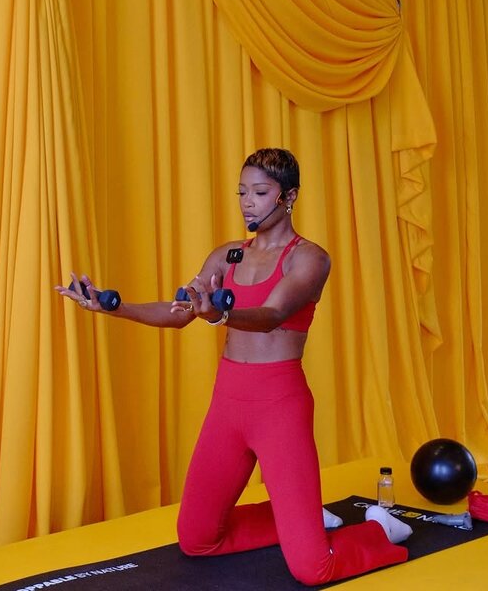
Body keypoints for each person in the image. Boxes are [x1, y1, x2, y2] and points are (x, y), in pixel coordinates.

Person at [55, 148, 411, 586]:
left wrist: (220, 314)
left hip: (278, 404)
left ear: (288, 197)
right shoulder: (226, 257)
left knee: (312, 569)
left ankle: (380, 529)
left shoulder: (309, 259)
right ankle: (299, 518)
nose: (247, 203)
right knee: (197, 538)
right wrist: (112, 306)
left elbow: (272, 315)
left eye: (259, 192)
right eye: (242, 192)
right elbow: (180, 312)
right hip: (228, 402)